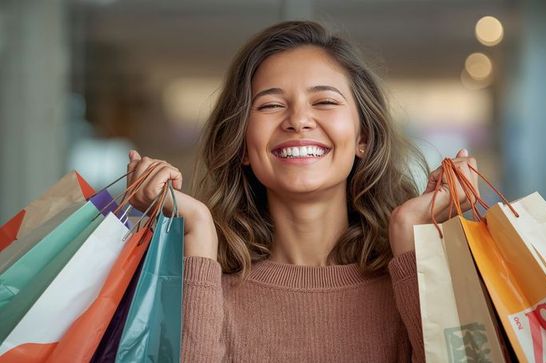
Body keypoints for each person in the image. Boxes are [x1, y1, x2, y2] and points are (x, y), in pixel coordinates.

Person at [126, 21, 478, 363]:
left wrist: (410, 233)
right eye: (270, 105)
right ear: (243, 146)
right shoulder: (201, 285)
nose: (298, 120)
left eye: (324, 102)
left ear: (363, 138)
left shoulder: (409, 280)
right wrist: (197, 231)